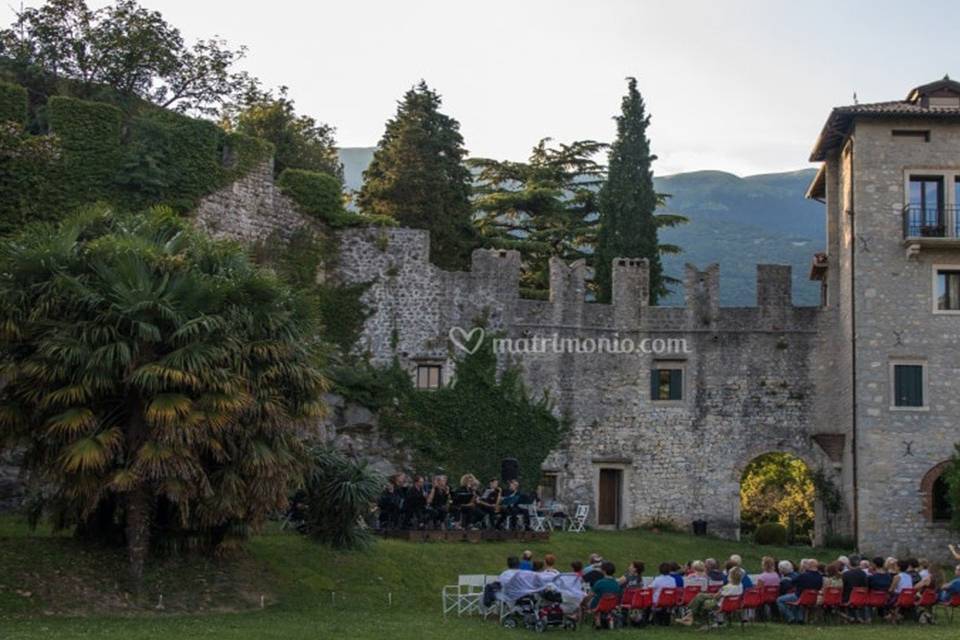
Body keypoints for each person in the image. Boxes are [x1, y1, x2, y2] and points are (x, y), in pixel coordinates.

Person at [679, 566, 744, 629]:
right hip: (733, 605)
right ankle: (690, 616)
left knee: (702, 602)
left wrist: (710, 595)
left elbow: (716, 597)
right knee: (700, 596)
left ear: (730, 576)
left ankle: (693, 617)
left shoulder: (727, 587)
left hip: (719, 605)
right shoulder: (740, 586)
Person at [777, 559, 823, 624]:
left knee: (779, 600)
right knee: (797, 601)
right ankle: (799, 618)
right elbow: (819, 587)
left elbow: (792, 582)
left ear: (809, 565)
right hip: (813, 598)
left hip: (799, 596)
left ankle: (790, 617)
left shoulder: (804, 575)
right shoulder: (820, 577)